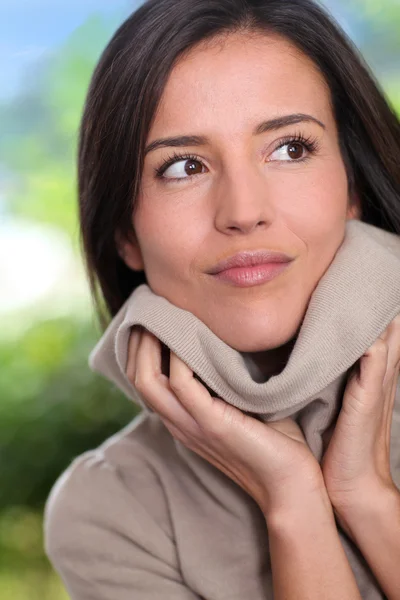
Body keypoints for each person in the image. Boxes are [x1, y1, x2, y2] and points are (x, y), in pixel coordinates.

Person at [44, 0, 400, 598]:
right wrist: (293, 503)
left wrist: (365, 494)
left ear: (353, 187)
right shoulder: (110, 511)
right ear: (124, 234)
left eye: (290, 148)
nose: (243, 213)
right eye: (184, 166)